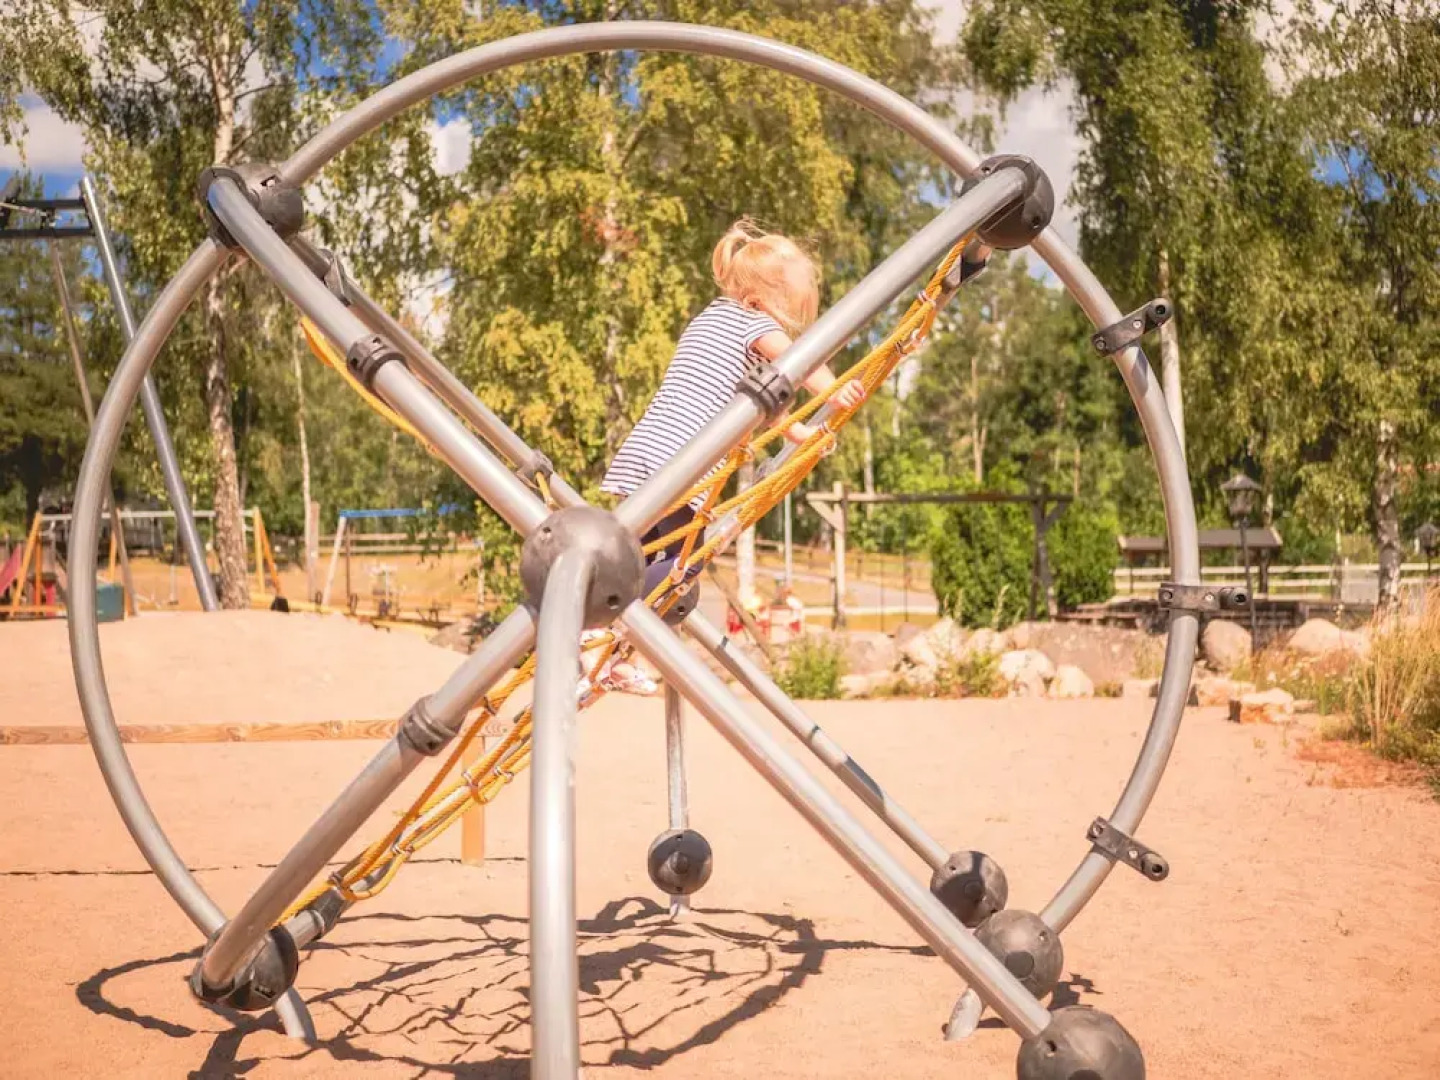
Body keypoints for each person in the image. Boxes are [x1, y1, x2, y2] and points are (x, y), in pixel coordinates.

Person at [595, 219, 865, 693]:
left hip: (646, 451)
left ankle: (607, 652)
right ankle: (599, 626)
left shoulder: (710, 320)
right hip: (684, 461)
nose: (785, 327)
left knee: (640, 558)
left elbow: (751, 408)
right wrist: (836, 389)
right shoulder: (753, 323)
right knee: (682, 567)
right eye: (788, 316)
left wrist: (798, 432)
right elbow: (799, 361)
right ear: (763, 302)